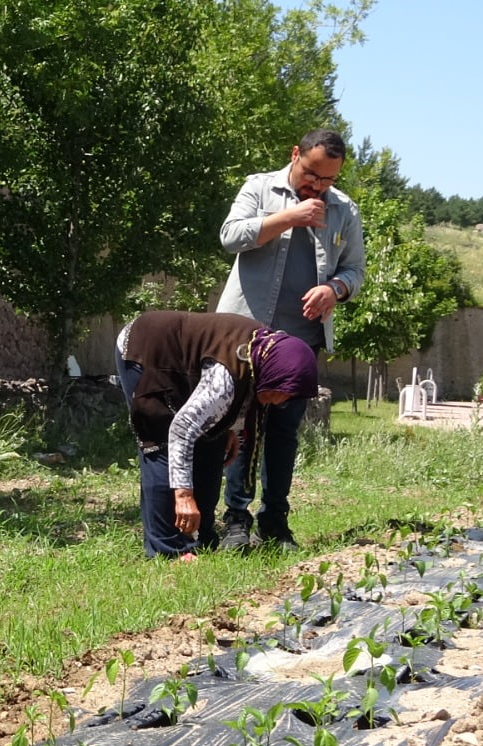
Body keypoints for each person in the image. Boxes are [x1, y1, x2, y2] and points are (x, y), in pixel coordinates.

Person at [215, 128, 366, 551]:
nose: (317, 186)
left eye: (328, 180)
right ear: (295, 154)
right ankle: (236, 522)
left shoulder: (344, 211)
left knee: (284, 432)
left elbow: (355, 270)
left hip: (300, 343)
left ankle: (275, 523)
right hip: (244, 334)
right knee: (241, 428)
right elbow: (230, 237)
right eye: (312, 174)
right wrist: (288, 217)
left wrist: (334, 289)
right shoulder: (259, 188)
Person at [116, 310, 318, 559]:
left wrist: (229, 428)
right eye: (282, 391)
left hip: (190, 363)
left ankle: (200, 536)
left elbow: (243, 393)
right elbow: (181, 430)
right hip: (148, 347)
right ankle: (168, 550)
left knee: (213, 444)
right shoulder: (224, 380)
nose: (281, 401)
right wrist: (183, 496)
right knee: (160, 445)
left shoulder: (260, 357)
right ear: (274, 374)